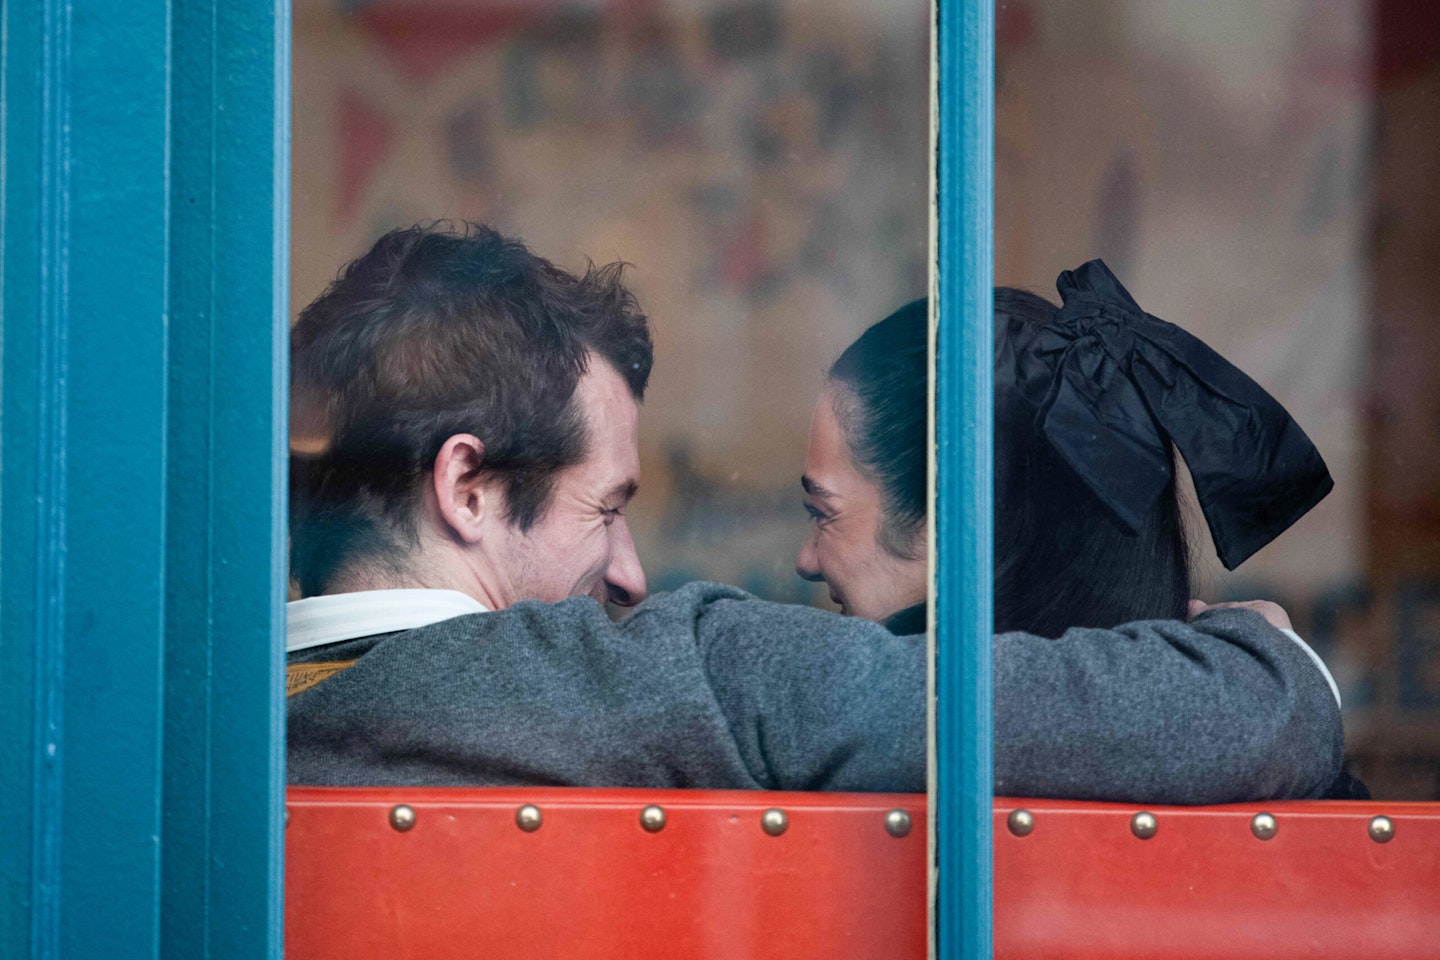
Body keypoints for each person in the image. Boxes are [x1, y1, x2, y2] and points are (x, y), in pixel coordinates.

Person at [287, 222, 1341, 802]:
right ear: (467, 489)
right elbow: (1224, 721)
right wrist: (1274, 662)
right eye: (605, 507)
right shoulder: (635, 681)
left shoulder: (199, 725)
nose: (631, 575)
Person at [798, 261, 1354, 799]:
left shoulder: (902, 742)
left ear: (965, 525)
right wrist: (1279, 676)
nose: (805, 559)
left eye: (825, 513)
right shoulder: (1226, 737)